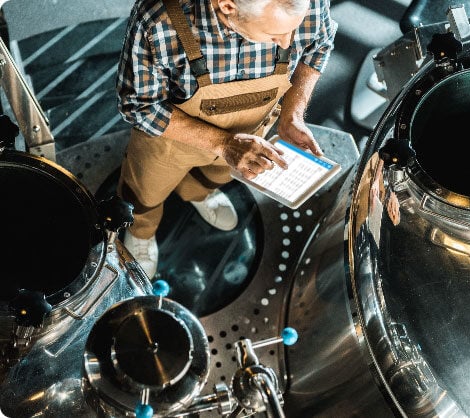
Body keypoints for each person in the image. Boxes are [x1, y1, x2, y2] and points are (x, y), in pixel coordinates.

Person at [116, 0, 337, 278]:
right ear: (228, 6)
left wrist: (292, 114)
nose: (286, 43)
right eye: (273, 35)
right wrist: (224, 144)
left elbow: (319, 45)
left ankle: (199, 193)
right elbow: (139, 106)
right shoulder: (161, 20)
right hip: (171, 139)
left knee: (217, 175)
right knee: (145, 192)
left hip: (252, 129)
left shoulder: (308, 2)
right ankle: (142, 232)